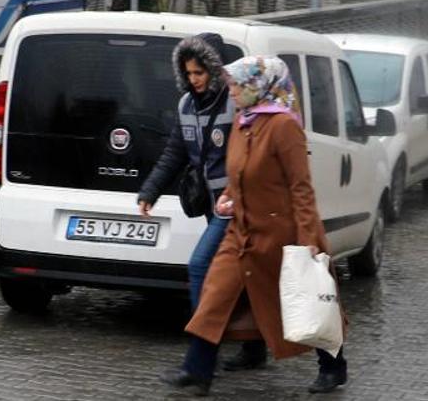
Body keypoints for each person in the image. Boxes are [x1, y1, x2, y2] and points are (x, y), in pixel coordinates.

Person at [160, 56, 347, 396]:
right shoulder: (245, 120)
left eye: (235, 85)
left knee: (307, 301)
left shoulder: (283, 126)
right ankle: (198, 370)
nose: (230, 91)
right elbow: (241, 169)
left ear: (257, 86)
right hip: (241, 231)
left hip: (282, 235)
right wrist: (229, 195)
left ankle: (333, 365)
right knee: (215, 294)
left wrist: (307, 241)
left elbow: (301, 187)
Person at [137, 33, 235, 310]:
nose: (194, 79)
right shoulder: (186, 105)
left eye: (199, 72)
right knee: (231, 272)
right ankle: (248, 346)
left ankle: (204, 340)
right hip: (209, 204)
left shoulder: (235, 102)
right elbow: (174, 153)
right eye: (188, 73)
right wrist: (150, 191)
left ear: (215, 69)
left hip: (234, 206)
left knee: (201, 264)